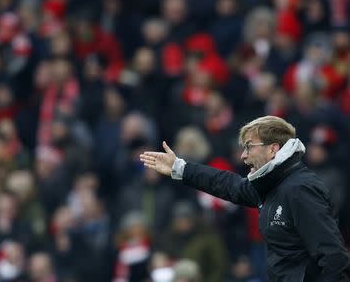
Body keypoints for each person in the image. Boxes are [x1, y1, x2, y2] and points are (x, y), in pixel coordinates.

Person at [140, 115, 350, 281]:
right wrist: (180, 168)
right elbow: (227, 184)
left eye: (249, 146)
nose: (243, 155)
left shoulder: (299, 189)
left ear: (273, 148)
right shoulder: (273, 185)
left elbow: (333, 255)